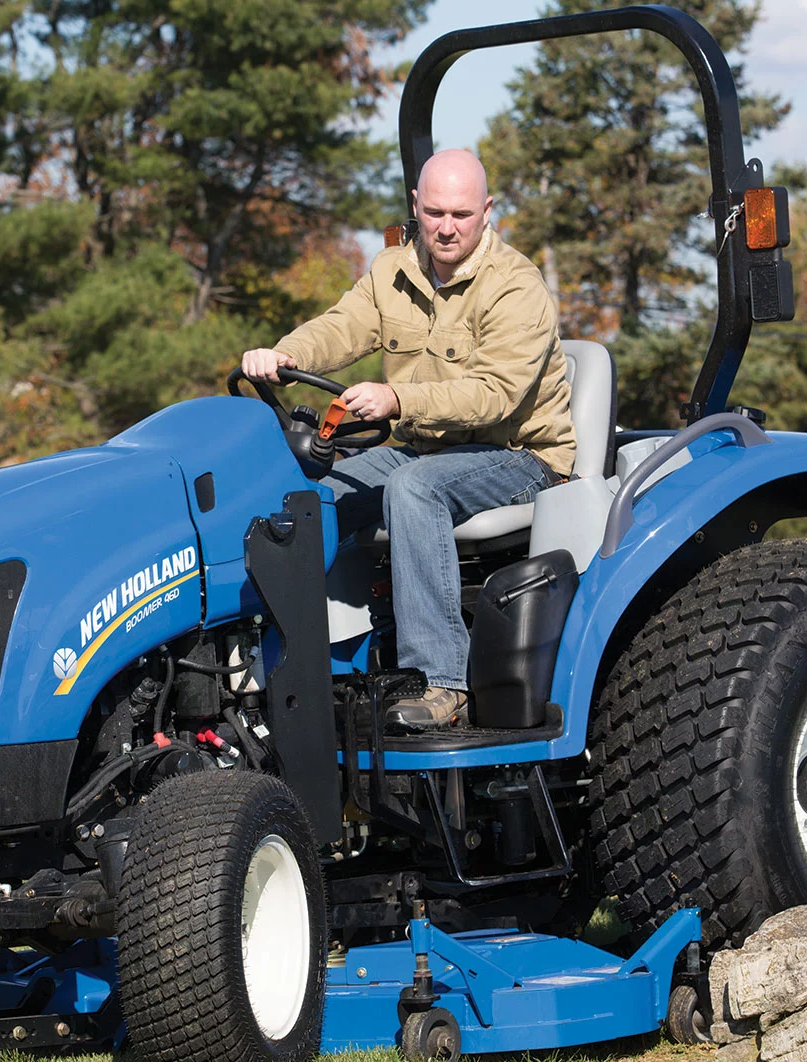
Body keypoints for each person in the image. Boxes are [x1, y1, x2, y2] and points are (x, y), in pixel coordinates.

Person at [241, 149, 573, 728]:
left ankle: (442, 681)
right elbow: (343, 326)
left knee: (415, 488)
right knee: (306, 491)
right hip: (425, 446)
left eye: (462, 214)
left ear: (488, 211)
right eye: (436, 212)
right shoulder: (393, 270)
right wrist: (286, 351)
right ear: (416, 206)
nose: (447, 227)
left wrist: (399, 400)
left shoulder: (516, 288)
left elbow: (494, 394)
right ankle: (286, 663)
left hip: (518, 455)